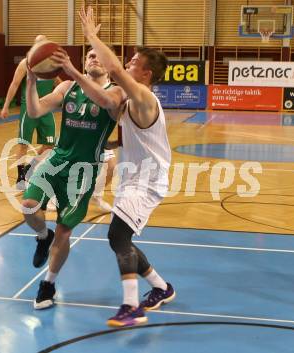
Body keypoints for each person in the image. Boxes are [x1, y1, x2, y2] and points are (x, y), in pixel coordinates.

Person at [79, 6, 175, 327]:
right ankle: (161, 287)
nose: (128, 64)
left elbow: (116, 73)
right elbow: (105, 98)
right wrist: (75, 74)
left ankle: (131, 307)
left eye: (134, 63)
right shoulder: (128, 99)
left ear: (146, 74)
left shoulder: (145, 97)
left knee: (118, 237)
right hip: (132, 178)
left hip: (146, 181)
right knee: (122, 240)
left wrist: (92, 36)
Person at [23, 45, 125, 309]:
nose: (94, 59)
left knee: (64, 232)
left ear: (110, 64)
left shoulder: (117, 90)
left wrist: (71, 70)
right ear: (84, 61)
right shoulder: (67, 88)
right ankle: (42, 235)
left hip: (84, 170)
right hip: (56, 160)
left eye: (100, 56)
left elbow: (107, 104)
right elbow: (34, 111)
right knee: (29, 208)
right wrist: (32, 82)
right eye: (90, 55)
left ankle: (48, 283)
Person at [1, 35, 59, 190]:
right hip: (29, 110)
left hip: (46, 109)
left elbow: (59, 83)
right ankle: (20, 178)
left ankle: (29, 169)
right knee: (23, 145)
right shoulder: (25, 63)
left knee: (49, 145)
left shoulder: (52, 64)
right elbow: (14, 84)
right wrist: (6, 105)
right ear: (34, 47)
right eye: (39, 44)